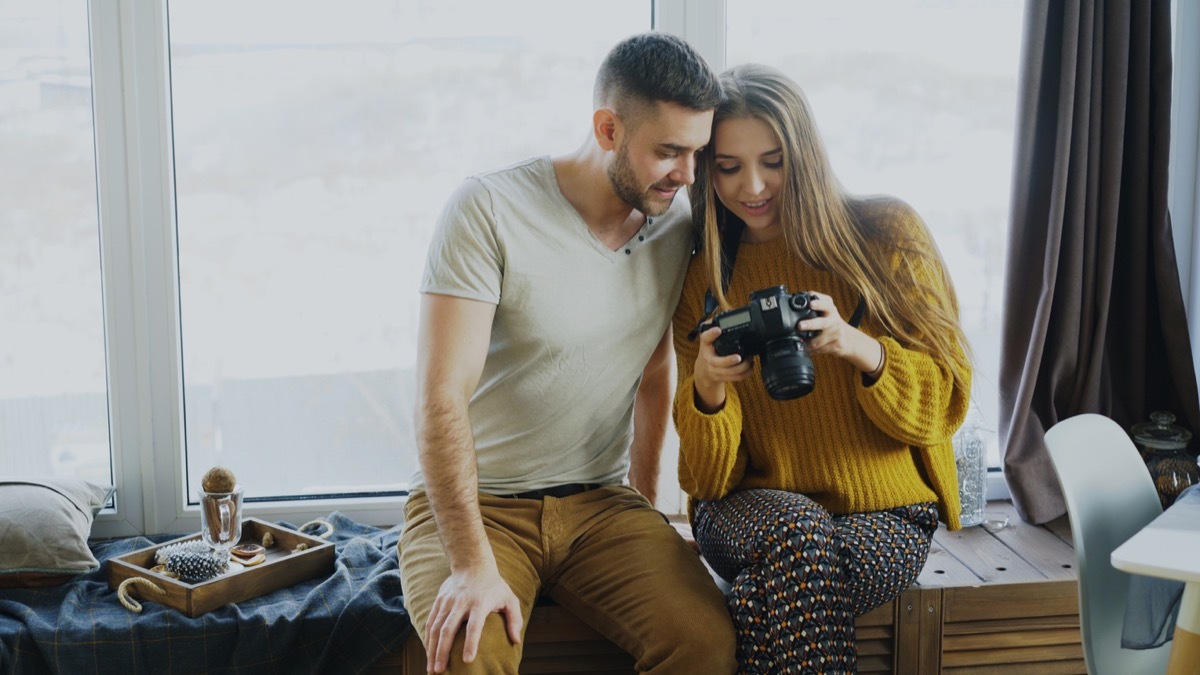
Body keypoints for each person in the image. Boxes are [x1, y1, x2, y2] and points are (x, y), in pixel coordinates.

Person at [399, 32, 737, 674]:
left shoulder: (676, 223)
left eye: (696, 152)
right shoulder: (488, 210)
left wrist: (646, 500)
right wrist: (472, 564)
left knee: (705, 644)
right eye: (668, 152)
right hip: (481, 505)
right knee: (470, 658)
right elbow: (438, 397)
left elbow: (654, 364)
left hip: (601, 507)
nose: (688, 175)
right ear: (608, 128)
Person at [671, 63, 973, 674]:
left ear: (805, 156)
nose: (752, 186)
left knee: (770, 594)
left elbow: (946, 405)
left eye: (773, 161)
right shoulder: (705, 277)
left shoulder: (886, 235)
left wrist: (857, 347)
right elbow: (705, 477)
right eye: (727, 167)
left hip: (884, 515)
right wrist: (707, 392)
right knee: (797, 536)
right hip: (746, 511)